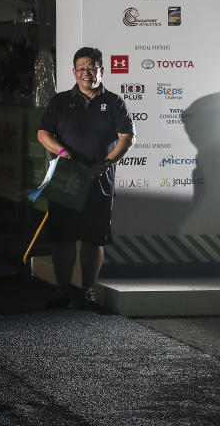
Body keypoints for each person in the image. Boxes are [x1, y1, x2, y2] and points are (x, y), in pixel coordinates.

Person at [36, 46, 135, 309]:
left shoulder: (114, 102)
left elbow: (127, 137)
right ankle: (63, 291)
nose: (86, 73)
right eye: (81, 68)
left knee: (93, 239)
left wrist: (106, 163)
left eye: (91, 68)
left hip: (98, 179)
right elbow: (43, 133)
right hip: (66, 177)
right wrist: (62, 152)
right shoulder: (60, 101)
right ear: (73, 72)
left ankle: (88, 292)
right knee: (63, 238)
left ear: (101, 70)